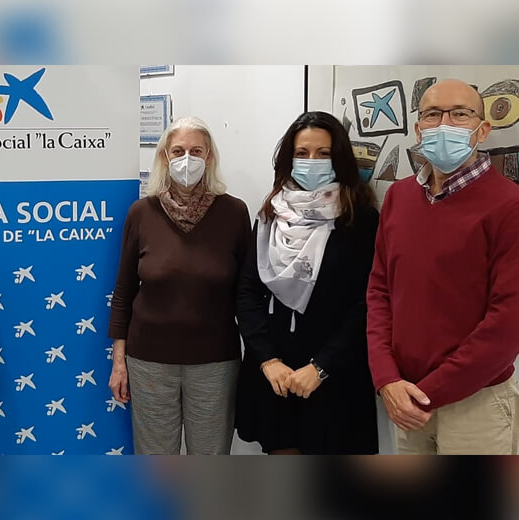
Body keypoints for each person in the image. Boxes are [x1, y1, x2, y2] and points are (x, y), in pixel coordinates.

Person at [367, 79, 519, 454]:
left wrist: (426, 393)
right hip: (404, 396)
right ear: (419, 129)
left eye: (460, 114)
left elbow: (507, 322)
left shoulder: (509, 204)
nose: (444, 123)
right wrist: (386, 379)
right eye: (433, 114)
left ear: (483, 129)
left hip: (476, 403)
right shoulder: (398, 197)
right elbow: (380, 291)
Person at [235, 111, 379, 455]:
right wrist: (268, 360)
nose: (311, 161)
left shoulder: (360, 218)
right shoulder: (271, 214)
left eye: (322, 153)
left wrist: (321, 368)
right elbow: (247, 291)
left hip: (336, 373)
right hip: (277, 372)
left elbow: (368, 301)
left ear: (338, 158)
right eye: (302, 153)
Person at [107, 116, 250, 454]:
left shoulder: (234, 213)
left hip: (215, 363)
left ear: (209, 157)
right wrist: (118, 361)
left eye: (196, 151)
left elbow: (247, 294)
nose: (187, 159)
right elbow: (124, 291)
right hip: (149, 363)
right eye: (178, 151)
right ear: (165, 157)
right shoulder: (141, 213)